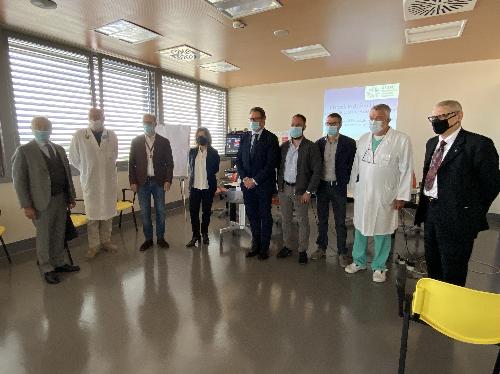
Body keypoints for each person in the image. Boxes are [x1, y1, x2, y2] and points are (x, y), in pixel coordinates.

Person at [415, 100, 500, 286]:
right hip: (431, 211)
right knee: (433, 263)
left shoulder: (478, 144)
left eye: (443, 116)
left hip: (458, 217)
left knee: (453, 268)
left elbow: (491, 184)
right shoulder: (432, 143)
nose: (437, 121)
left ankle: (450, 310)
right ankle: (434, 308)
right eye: (434, 117)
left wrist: (470, 211)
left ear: (459, 116)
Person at [345, 104, 413, 283]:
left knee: (382, 230)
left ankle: (379, 266)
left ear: (388, 120)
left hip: (386, 195)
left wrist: (402, 195)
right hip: (363, 194)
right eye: (371, 118)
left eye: (379, 119)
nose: (374, 122)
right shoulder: (363, 139)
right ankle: (358, 261)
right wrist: (352, 188)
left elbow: (406, 169)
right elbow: (355, 166)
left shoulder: (401, 140)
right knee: (360, 227)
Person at [12, 116, 80, 284]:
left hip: (61, 199)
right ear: (32, 129)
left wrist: (71, 196)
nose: (43, 131)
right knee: (44, 236)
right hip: (41, 203)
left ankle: (59, 262)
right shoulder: (24, 151)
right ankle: (46, 267)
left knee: (59, 233)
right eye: (39, 128)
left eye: (46, 128)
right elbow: (19, 181)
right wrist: (26, 205)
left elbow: (67, 175)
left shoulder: (58, 149)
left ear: (50, 129)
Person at [69, 108, 118, 259]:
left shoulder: (111, 135)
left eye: (98, 117)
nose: (96, 120)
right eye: (93, 117)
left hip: (108, 181)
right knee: (92, 218)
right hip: (91, 182)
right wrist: (88, 168)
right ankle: (94, 246)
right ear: (88, 118)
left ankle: (106, 241)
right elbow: (74, 159)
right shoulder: (79, 135)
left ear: (104, 118)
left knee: (107, 216)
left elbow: (114, 155)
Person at [312, 113, 356, 267]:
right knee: (322, 220)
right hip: (322, 186)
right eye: (328, 123)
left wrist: (347, 183)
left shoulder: (349, 143)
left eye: (334, 123)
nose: (331, 126)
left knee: (340, 221)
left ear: (340, 124)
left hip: (338, 187)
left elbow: (353, 166)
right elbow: (315, 166)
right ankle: (321, 248)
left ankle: (342, 252)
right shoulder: (318, 143)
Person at [276, 114, 321, 264]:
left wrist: (309, 191)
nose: (295, 127)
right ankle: (288, 246)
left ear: (304, 127)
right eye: (293, 124)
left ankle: (302, 250)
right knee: (286, 220)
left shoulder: (311, 147)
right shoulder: (284, 147)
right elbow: (278, 167)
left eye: (298, 125)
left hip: (301, 191)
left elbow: (317, 171)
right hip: (284, 189)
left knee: (302, 221)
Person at [236, 107, 280, 260]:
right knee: (252, 216)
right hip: (247, 186)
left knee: (264, 217)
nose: (253, 122)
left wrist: (255, 180)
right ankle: (255, 244)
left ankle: (264, 248)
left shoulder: (271, 138)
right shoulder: (245, 137)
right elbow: (238, 160)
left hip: (263, 186)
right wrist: (245, 178)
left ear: (263, 119)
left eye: (256, 119)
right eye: (251, 119)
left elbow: (270, 165)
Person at [129, 114, 174, 251]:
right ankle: (148, 239)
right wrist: (132, 181)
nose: (147, 124)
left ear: (155, 124)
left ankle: (160, 238)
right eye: (144, 122)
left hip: (159, 181)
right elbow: (132, 163)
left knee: (161, 211)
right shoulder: (136, 141)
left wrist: (168, 180)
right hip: (142, 182)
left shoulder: (164, 141)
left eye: (149, 122)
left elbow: (169, 163)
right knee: (144, 212)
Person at [186, 127, 221, 247]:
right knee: (193, 212)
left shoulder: (214, 152)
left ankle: (204, 233)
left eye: (203, 136)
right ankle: (195, 235)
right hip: (195, 187)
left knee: (206, 212)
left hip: (207, 187)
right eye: (199, 136)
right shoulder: (192, 152)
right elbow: (190, 168)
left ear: (207, 137)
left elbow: (215, 169)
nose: (201, 138)